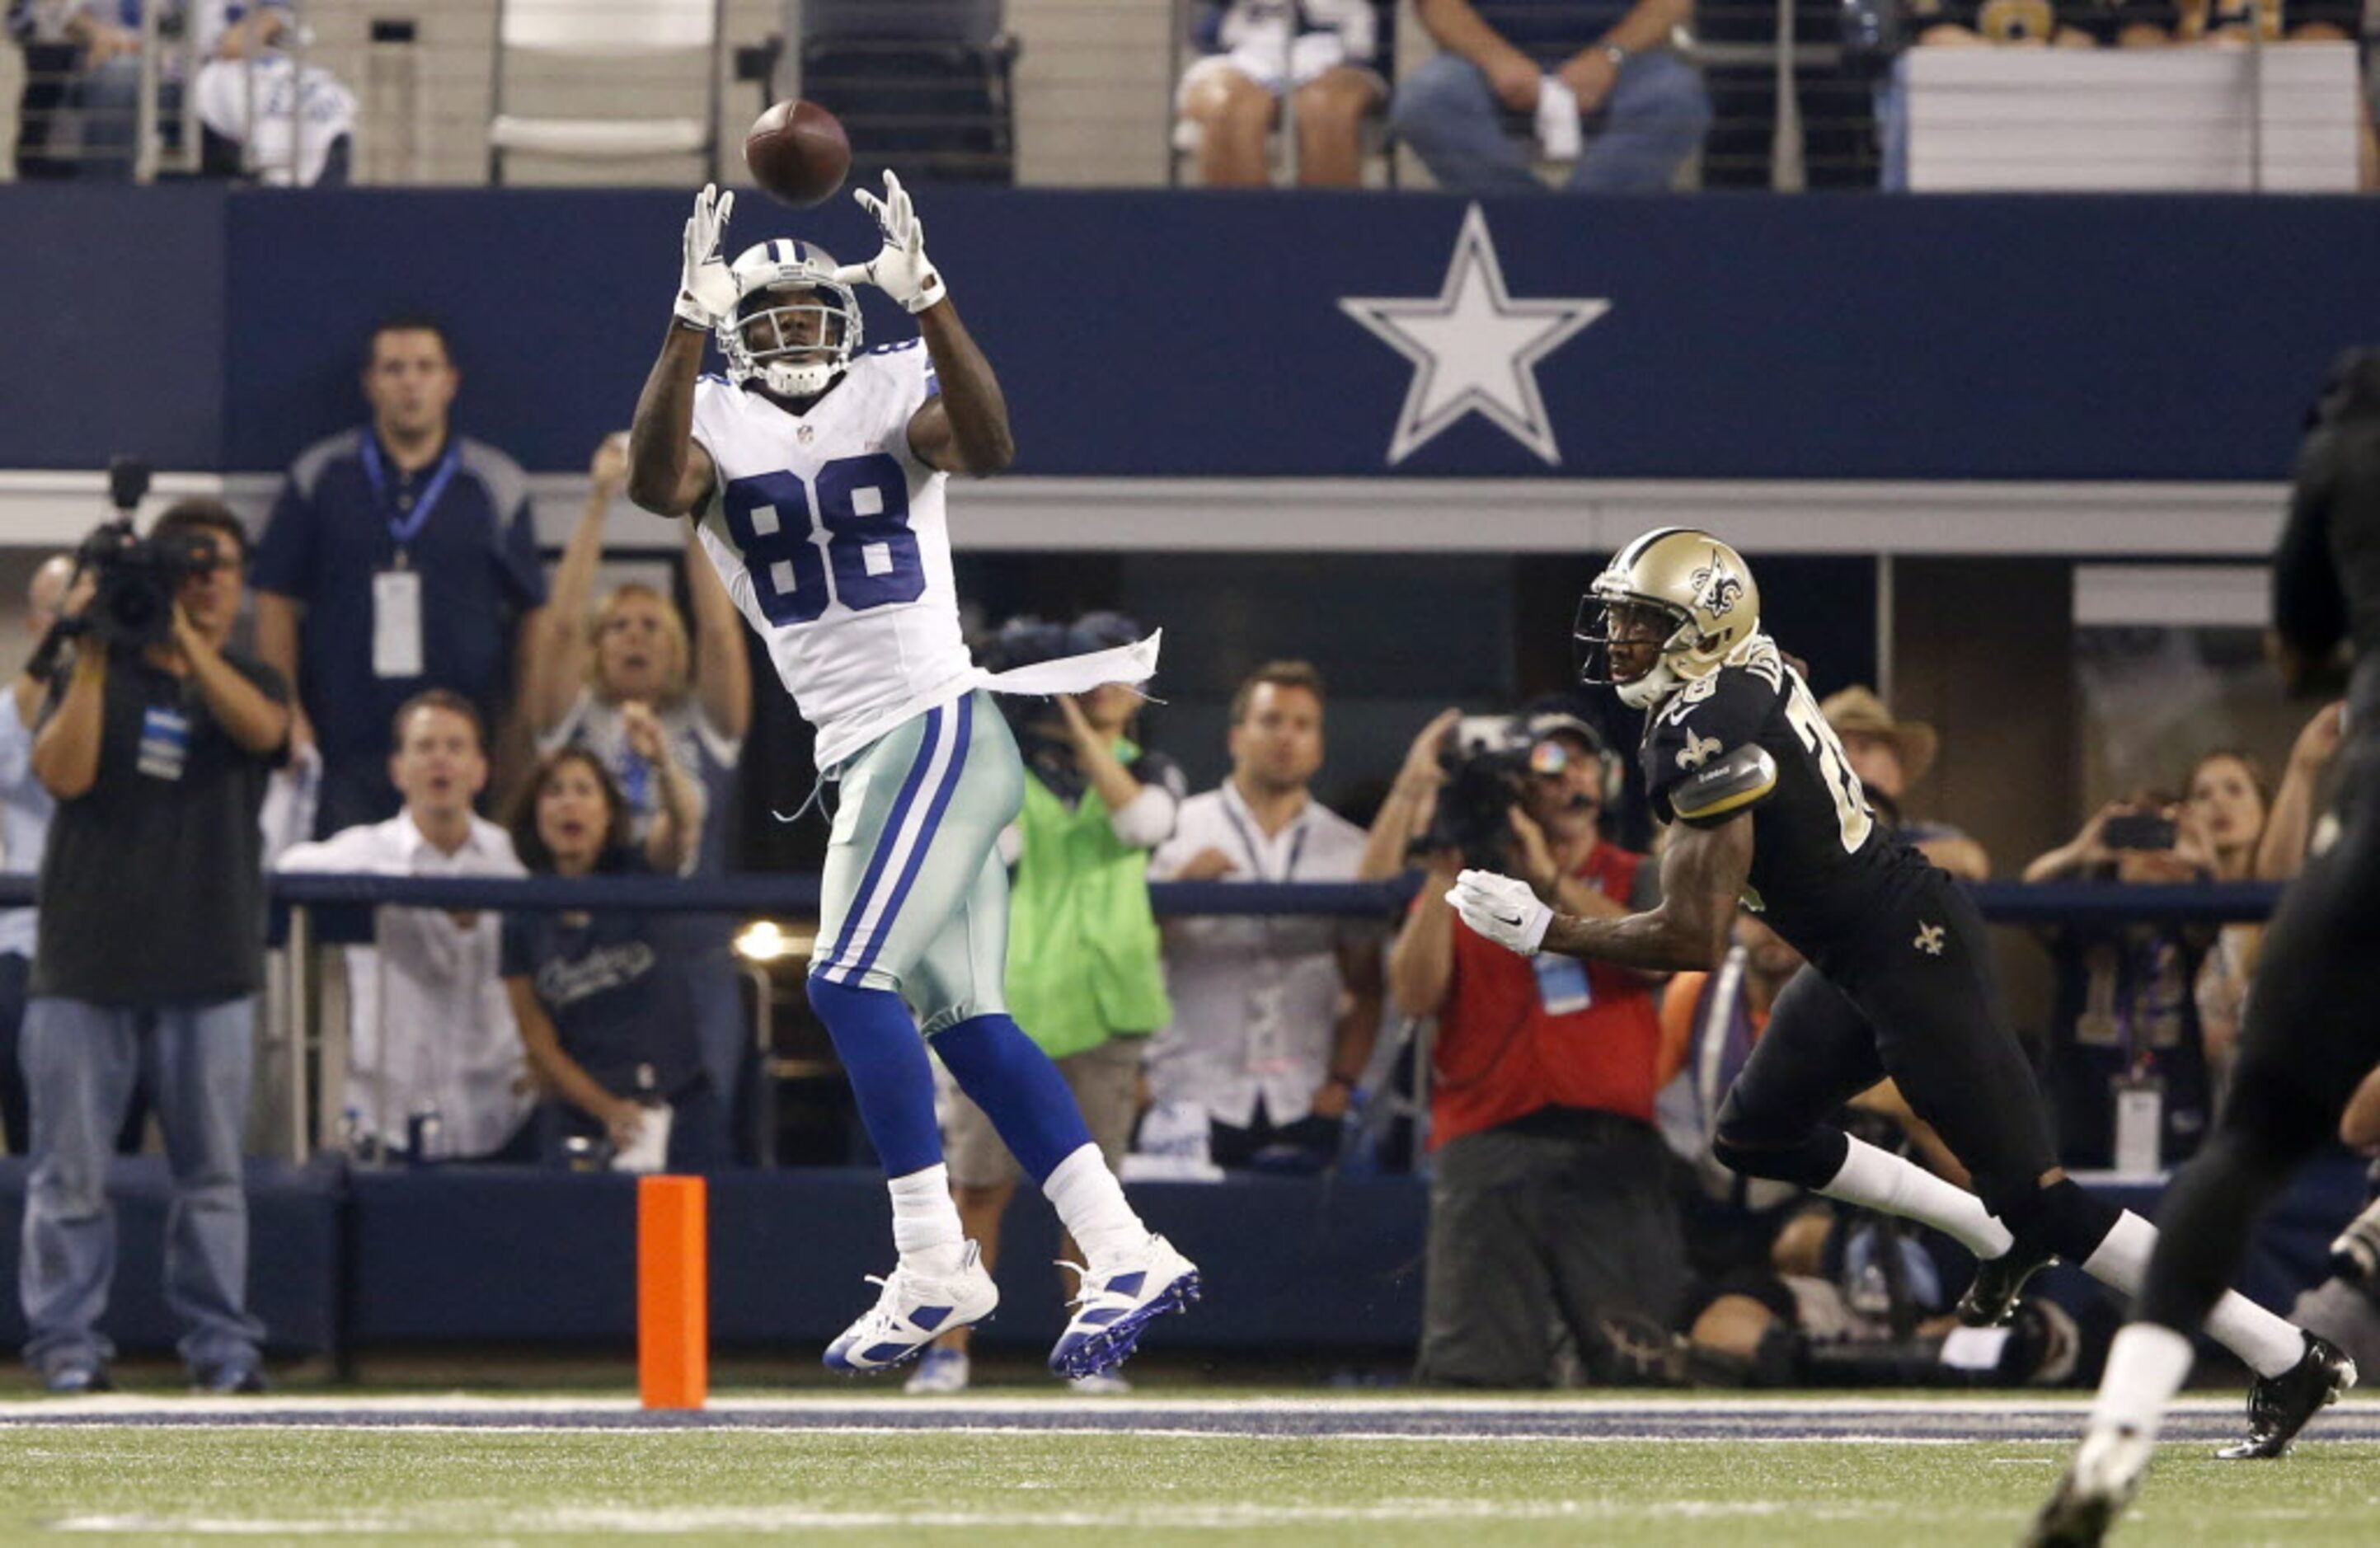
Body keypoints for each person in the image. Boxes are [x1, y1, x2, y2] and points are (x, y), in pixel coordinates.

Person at [1444, 526, 2334, 1451]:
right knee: (1757, 1132)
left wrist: (1548, 928)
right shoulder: (1742, 668)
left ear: (1700, 629)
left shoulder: (1700, 732)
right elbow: (1772, 667)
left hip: (1911, 949)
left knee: (2046, 1201)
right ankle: (1987, 1234)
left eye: (1641, 622)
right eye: (1621, 618)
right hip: (1856, 945)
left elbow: (1695, 934)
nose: (1620, 640)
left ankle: (2286, 1354)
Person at [624, 176, 1198, 1379]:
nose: (790, 327)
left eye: (811, 309)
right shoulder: (712, 411)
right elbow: (651, 484)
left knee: (841, 980)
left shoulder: (895, 383)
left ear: (849, 318)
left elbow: (987, 443)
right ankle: (1121, 1239)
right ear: (734, 330)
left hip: (928, 725)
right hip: (864, 751)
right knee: (971, 1025)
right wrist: (680, 322)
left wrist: (931, 299)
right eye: (762, 313)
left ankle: (932, 1251)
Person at [2029, 349, 2380, 1543]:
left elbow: (2295, 655)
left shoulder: (2347, 436)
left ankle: (2115, 1440)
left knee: (2244, 1145)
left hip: (2371, 812)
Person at [21, 500, 288, 1395]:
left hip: (209, 962)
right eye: (190, 564)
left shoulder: (248, 676)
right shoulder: (95, 669)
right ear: (165, 570)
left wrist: (183, 640)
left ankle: (223, 1351)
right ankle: (66, 1350)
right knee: (70, 1178)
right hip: (84, 962)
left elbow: (266, 734)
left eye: (221, 566)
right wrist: (97, 643)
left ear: (241, 583)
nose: (207, 580)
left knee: (212, 1179)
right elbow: (62, 773)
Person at [908, 612, 1185, 1397]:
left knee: (1091, 1193)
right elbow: (994, 851)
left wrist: (1065, 710)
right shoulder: (1007, 766)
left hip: (1105, 1008)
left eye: (1120, 669)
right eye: (1086, 668)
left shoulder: (1154, 766)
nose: (1105, 684)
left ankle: (1094, 1352)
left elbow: (1139, 822)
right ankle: (946, 1350)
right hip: (1003, 1006)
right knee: (976, 1188)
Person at [1390, 707, 1683, 1386]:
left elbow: (1654, 956)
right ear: (1521, 786)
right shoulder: (1468, 883)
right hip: (1487, 1136)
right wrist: (1443, 872)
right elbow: (1413, 996)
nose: (1570, 777)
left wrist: (1547, 878)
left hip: (1609, 1145)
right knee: (1475, 1371)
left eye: (1582, 761)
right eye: (1550, 763)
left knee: (1633, 1358)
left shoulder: (1633, 874)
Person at [524, 432, 753, 1151]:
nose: (635, 638)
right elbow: (557, 629)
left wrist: (690, 508)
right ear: (599, 648)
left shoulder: (703, 722)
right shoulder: (576, 721)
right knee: (598, 1138)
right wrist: (596, 501)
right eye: (618, 626)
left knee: (702, 1137)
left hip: (692, 956)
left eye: (652, 625)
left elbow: (721, 631)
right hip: (599, 963)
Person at [251, 314, 547, 838]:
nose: (410, 383)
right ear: (370, 384)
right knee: (346, 893)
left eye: (425, 368)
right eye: (394, 369)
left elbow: (533, 612)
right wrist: (287, 708)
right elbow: (274, 594)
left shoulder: (494, 482)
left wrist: (520, 727)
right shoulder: (321, 474)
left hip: (459, 744)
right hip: (344, 736)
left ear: (450, 382)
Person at [275, 691, 533, 1163]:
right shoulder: (365, 853)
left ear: (480, 770)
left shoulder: (513, 859)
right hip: (388, 1116)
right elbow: (285, 870)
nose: (440, 760)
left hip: (502, 1112)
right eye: (425, 746)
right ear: (398, 769)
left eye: (456, 748)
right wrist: (398, 890)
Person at [1145, 660, 1384, 1173]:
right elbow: (1128, 958)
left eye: (1303, 725)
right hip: (1187, 1092)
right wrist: (1178, 891)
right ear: (1236, 737)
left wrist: (1344, 1084)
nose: (1287, 738)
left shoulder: (1349, 849)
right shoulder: (1175, 833)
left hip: (1305, 1094)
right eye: (1271, 721)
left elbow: (1368, 985)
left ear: (1319, 745)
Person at [502, 745, 724, 1173]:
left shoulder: (640, 871)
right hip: (584, 1114)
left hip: (681, 1104)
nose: (569, 803)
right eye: (554, 792)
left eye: (584, 790)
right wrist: (608, 1111)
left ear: (608, 812)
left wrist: (661, 755)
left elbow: (683, 825)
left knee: (690, 1238)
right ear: (535, 814)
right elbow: (538, 1040)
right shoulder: (521, 912)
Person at [1389, 0, 1712, 195]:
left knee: (1676, 99)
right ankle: (1525, 225)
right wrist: (1497, 59)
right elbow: (1438, 6)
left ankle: (1585, 224)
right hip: (1488, 63)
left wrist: (1608, 56)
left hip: (1624, 62)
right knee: (1425, 101)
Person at [0, 553, 73, 1156]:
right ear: (36, 622)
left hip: (119, 938)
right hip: (26, 939)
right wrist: (56, 654)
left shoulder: (134, 697)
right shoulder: (10, 710)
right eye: (63, 611)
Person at [1176, 1, 1387, 187]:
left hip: (1346, 54)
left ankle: (1327, 230)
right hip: (1237, 54)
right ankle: (1241, 229)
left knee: (1324, 107)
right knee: (1230, 106)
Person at [1819, 684, 1989, 880]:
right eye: (1837, 749)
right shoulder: (1793, 841)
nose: (1850, 761)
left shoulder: (1930, 837)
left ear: (1897, 774)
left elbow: (1969, 861)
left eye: (1865, 748)